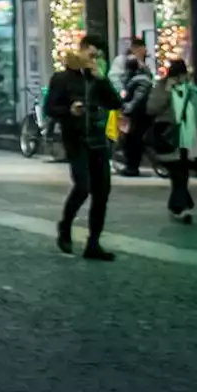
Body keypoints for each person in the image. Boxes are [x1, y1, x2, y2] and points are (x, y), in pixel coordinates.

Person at [47, 34, 122, 261]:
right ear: (82, 50)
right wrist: (69, 110)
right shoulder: (62, 79)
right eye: (91, 53)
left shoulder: (97, 79)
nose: (94, 58)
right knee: (83, 186)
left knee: (102, 193)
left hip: (99, 142)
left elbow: (115, 103)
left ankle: (93, 243)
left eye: (98, 55)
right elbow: (50, 108)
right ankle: (65, 226)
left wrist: (102, 80)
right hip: (77, 140)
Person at [150, 59, 197, 224]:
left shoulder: (193, 92)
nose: (181, 79)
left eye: (183, 75)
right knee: (179, 174)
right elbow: (152, 108)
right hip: (170, 139)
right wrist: (167, 89)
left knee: (182, 175)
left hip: (189, 140)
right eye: (178, 76)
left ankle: (180, 204)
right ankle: (179, 206)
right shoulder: (162, 89)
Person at [116, 56, 155, 176]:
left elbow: (138, 97)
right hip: (137, 115)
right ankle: (131, 165)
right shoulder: (137, 78)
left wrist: (128, 108)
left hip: (139, 115)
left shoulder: (141, 80)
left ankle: (132, 167)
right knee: (131, 140)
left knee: (133, 141)